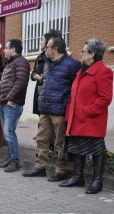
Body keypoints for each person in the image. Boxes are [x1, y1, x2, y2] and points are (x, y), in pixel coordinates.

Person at [23, 37, 81, 181]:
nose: (44, 49)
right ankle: (40, 167)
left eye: (47, 47)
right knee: (41, 139)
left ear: (55, 49)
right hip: (45, 108)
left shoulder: (72, 65)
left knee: (59, 142)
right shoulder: (47, 63)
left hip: (60, 111)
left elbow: (76, 89)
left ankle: (61, 170)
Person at [60, 38, 113, 194]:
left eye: (83, 51)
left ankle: (98, 181)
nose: (80, 53)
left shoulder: (103, 72)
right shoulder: (80, 71)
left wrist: (86, 111)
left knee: (96, 149)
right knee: (77, 147)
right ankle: (77, 177)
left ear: (92, 54)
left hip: (91, 119)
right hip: (76, 119)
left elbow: (105, 98)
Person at [0, 39, 30, 172]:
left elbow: (20, 82)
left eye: (6, 47)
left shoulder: (21, 62)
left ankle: (15, 161)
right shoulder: (11, 63)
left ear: (14, 49)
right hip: (4, 102)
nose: (4, 50)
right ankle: (11, 158)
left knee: (9, 132)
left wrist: (10, 97)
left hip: (11, 104)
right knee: (7, 133)